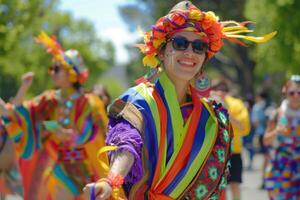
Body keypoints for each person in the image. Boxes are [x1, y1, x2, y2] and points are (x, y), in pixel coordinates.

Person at [83, 1, 275, 199]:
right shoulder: (138, 101)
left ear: (204, 58)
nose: (190, 52)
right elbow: (127, 142)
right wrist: (111, 180)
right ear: (162, 51)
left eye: (199, 46)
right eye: (180, 43)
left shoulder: (212, 117)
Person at [0, 32, 112, 200]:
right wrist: (24, 87)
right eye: (51, 68)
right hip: (60, 168)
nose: (52, 72)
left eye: (57, 69)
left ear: (71, 73)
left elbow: (98, 133)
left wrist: (71, 136)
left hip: (88, 169)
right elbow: (22, 114)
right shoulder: (49, 99)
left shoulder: (90, 102)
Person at [210, 80, 251, 200]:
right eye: (217, 89)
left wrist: (225, 111)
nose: (220, 92)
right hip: (213, 153)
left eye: (223, 89)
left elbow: (245, 128)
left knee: (234, 185)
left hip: (233, 152)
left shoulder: (237, 104)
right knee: (217, 188)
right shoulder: (207, 102)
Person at [264, 74, 300, 200]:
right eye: (292, 93)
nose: (296, 96)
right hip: (280, 169)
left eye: (299, 93)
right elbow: (266, 140)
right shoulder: (277, 114)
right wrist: (276, 132)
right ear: (286, 92)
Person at [251, 90, 270, 188]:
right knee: (268, 157)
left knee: (265, 158)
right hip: (271, 134)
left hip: (262, 134)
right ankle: (266, 179)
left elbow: (254, 122)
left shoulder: (257, 107)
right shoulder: (270, 106)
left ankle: (264, 180)